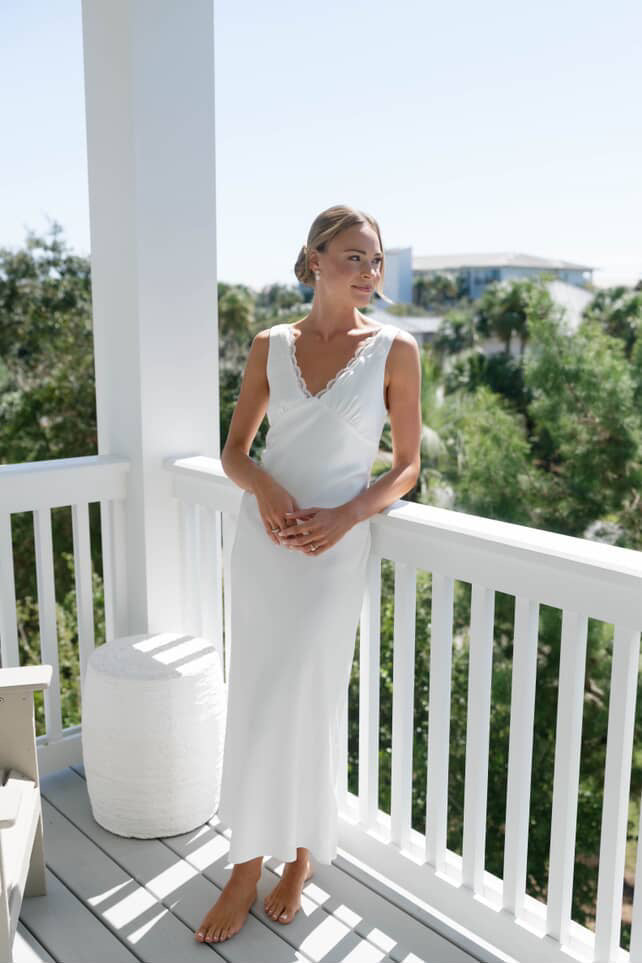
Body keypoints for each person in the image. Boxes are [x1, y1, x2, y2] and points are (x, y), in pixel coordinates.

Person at [195, 205, 422, 944]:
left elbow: (408, 467)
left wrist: (348, 514)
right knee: (258, 697)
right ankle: (245, 863)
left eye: (376, 260)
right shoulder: (270, 345)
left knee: (308, 697)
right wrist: (261, 487)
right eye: (354, 256)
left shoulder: (396, 349)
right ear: (315, 259)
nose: (368, 271)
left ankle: (299, 856)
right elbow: (234, 449)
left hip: (332, 552)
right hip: (264, 547)